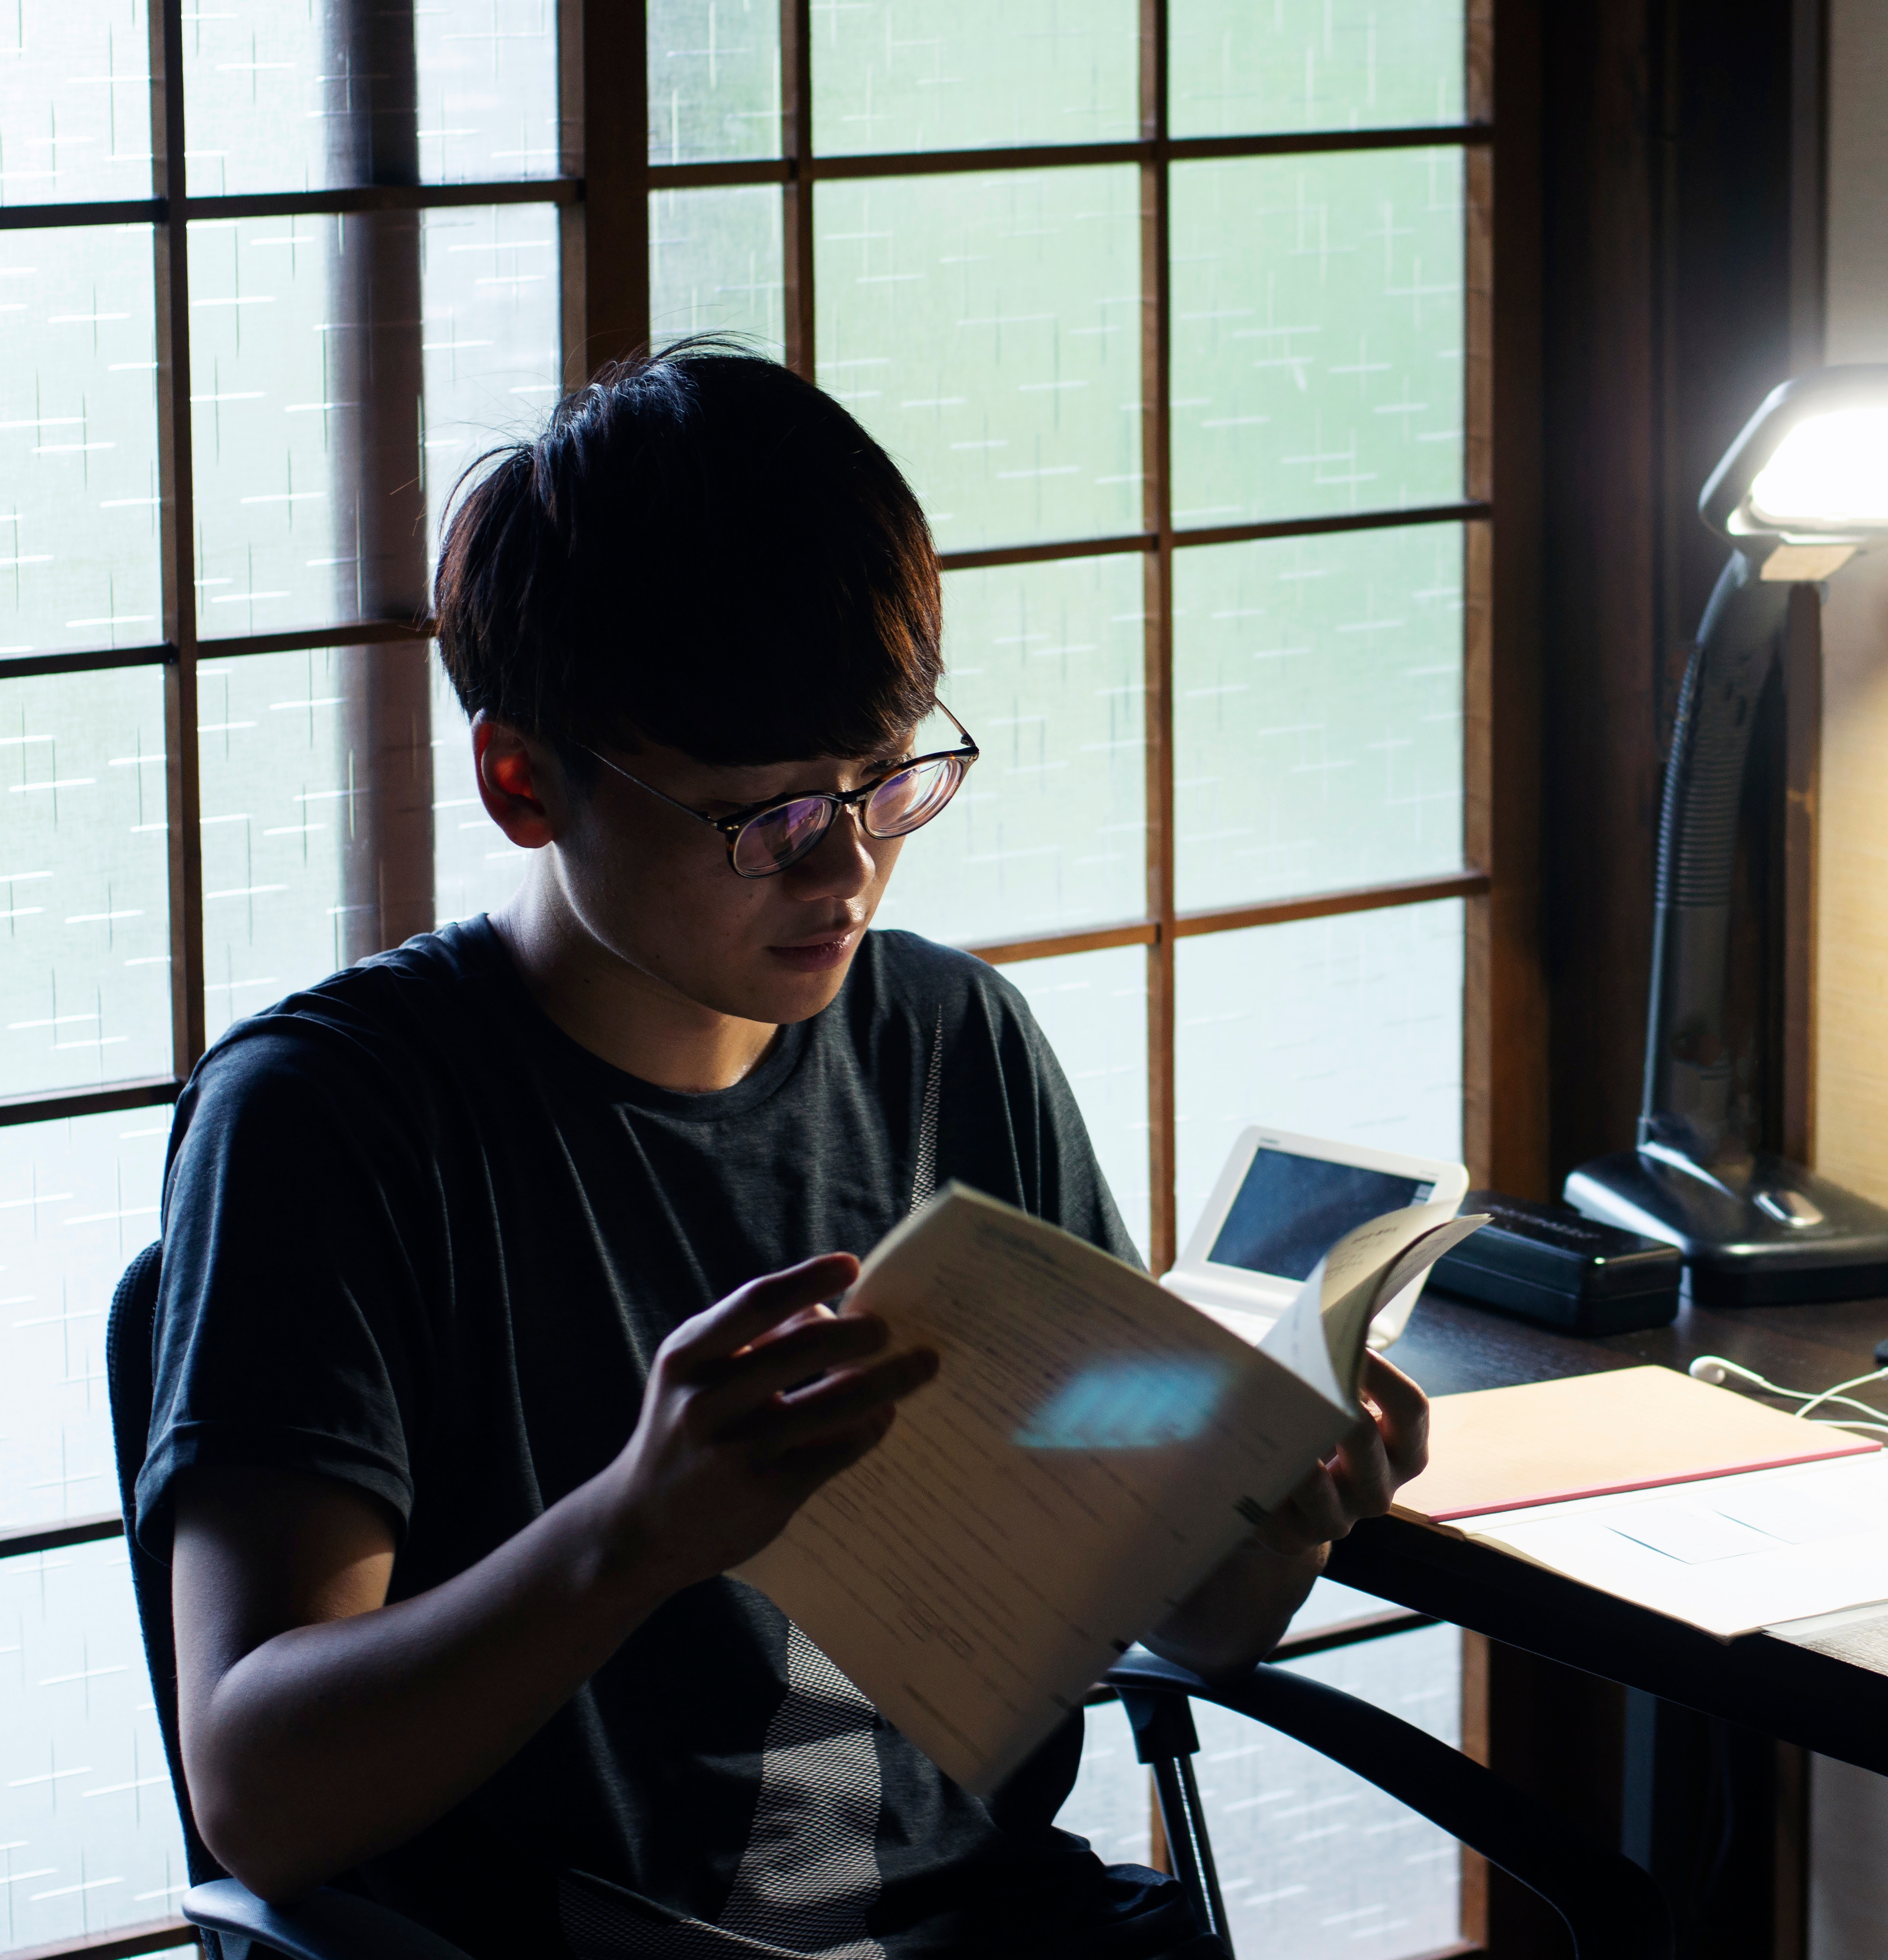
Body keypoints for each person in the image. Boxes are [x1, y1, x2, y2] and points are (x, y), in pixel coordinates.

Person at [144, 344, 1432, 1958]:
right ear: (524, 779)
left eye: (884, 782)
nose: (845, 869)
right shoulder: (337, 1121)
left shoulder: (951, 1046)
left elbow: (1177, 1612)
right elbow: (259, 1792)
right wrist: (630, 1528)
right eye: (763, 819)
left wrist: (1285, 1513)